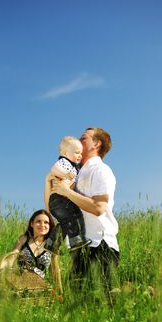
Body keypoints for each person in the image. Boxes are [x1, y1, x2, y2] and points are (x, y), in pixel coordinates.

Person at [50, 127, 119, 299]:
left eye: (83, 138)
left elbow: (98, 208)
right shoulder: (76, 174)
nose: (78, 141)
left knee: (101, 308)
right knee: (77, 312)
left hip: (99, 247)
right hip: (79, 249)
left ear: (96, 143)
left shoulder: (101, 170)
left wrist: (67, 192)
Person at [44, 136, 91, 255]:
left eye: (81, 153)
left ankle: (52, 244)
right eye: (76, 152)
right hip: (59, 200)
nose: (79, 155)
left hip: (61, 201)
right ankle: (76, 241)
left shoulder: (75, 167)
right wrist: (66, 173)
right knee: (75, 216)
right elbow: (54, 169)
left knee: (65, 223)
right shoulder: (64, 162)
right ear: (65, 153)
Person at [0, 209, 63, 296]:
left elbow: (55, 270)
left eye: (46, 222)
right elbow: (13, 255)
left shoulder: (52, 245)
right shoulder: (23, 239)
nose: (42, 225)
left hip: (40, 289)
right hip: (20, 286)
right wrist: (2, 266)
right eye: (38, 221)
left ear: (50, 226)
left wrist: (60, 292)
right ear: (31, 224)